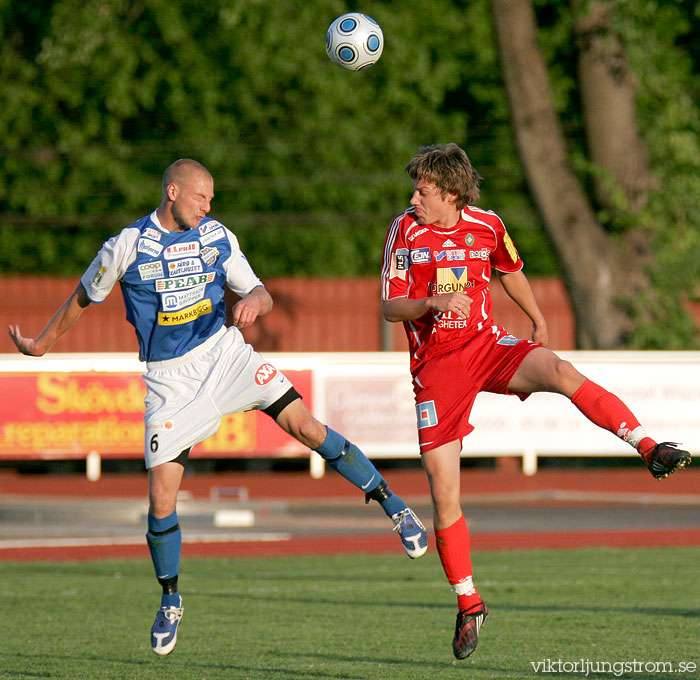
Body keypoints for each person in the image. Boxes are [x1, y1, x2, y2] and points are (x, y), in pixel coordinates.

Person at [8, 158, 428, 656]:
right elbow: (83, 296)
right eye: (201, 198)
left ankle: (394, 507)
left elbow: (260, 291)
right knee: (161, 499)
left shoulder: (217, 236)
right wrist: (41, 345)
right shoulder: (125, 245)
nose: (208, 207)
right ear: (172, 192)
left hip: (225, 354)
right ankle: (170, 599)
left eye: (211, 200)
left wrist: (254, 303)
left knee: (309, 427)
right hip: (170, 381)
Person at [380, 143, 692, 661]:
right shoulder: (405, 231)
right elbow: (390, 306)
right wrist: (431, 301)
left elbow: (510, 269)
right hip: (436, 369)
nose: (414, 197)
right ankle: (469, 602)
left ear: (452, 194)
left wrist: (537, 317)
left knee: (560, 370)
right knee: (443, 492)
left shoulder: (487, 224)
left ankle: (648, 446)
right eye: (415, 189)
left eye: (424, 191)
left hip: (485, 344)